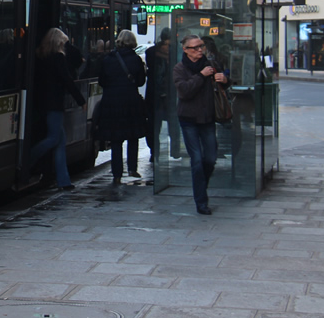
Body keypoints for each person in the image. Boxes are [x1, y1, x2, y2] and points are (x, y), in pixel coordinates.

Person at [173, 33, 229, 215]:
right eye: (195, 48)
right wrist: (201, 76)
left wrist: (224, 80)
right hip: (188, 119)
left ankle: (201, 184)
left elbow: (223, 86)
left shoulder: (211, 65)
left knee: (211, 158)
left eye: (201, 47)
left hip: (208, 118)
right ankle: (201, 201)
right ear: (185, 50)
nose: (199, 50)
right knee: (196, 160)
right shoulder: (180, 68)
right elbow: (184, 91)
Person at [28, 28, 87, 190]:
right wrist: (81, 100)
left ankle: (64, 180)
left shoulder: (41, 56)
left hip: (42, 102)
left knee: (60, 142)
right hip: (55, 103)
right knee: (54, 138)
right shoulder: (59, 57)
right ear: (59, 43)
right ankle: (28, 158)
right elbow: (67, 79)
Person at [98, 30, 149, 182]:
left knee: (115, 139)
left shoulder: (108, 59)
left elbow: (102, 81)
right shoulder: (136, 59)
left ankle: (117, 173)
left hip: (112, 102)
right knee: (132, 136)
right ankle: (132, 168)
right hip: (130, 101)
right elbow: (140, 81)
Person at [144, 28, 172, 161]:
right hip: (160, 95)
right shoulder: (153, 53)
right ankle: (155, 150)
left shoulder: (152, 52)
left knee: (157, 124)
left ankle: (157, 150)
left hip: (162, 94)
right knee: (155, 125)